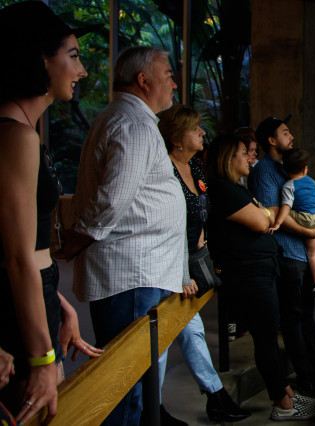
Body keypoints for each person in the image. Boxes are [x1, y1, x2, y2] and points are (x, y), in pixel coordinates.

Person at [65, 46, 187, 426]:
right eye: (167, 74)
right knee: (126, 389)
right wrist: (79, 238)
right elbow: (113, 199)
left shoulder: (131, 120)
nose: (174, 83)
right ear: (143, 80)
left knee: (132, 387)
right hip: (131, 277)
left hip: (135, 274)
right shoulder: (133, 124)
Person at [0, 2, 103, 422]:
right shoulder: (15, 137)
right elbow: (17, 256)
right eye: (74, 57)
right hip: (14, 307)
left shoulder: (23, 133)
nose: (81, 72)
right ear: (40, 58)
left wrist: (57, 300)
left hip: (35, 295)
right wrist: (42, 360)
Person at [208, 134, 315, 421]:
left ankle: (287, 394)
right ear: (228, 158)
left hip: (260, 271)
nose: (250, 158)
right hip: (247, 275)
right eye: (244, 153)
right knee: (267, 337)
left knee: (269, 333)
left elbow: (265, 213)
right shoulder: (223, 189)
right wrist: (266, 213)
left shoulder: (238, 188)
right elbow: (261, 220)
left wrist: (266, 212)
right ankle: (282, 403)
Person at [157, 105, 250, 422]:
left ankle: (214, 396)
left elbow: (198, 214)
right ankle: (159, 408)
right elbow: (170, 228)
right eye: (195, 128)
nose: (202, 133)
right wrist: (182, 273)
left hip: (187, 261)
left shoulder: (195, 167)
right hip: (166, 266)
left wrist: (201, 244)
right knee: (163, 340)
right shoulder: (162, 169)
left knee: (188, 331)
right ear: (176, 137)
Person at [250, 115, 315, 400]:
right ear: (271, 140)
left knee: (305, 314)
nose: (291, 135)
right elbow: (271, 213)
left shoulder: (285, 168)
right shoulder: (265, 171)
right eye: (285, 132)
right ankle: (308, 380)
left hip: (301, 254)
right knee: (293, 317)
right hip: (286, 254)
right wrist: (312, 227)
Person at [270, 148, 315, 297]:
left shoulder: (288, 185)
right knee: (313, 254)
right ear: (305, 168)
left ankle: (313, 283)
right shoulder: (312, 181)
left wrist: (277, 223)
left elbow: (286, 207)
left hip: (305, 220)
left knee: (278, 209)